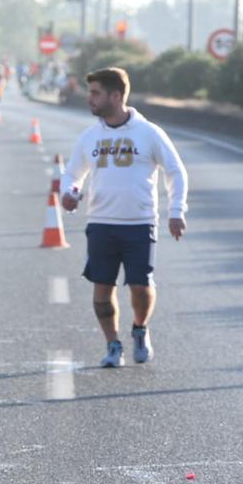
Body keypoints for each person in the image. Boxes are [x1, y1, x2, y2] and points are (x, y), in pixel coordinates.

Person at [60, 67, 189, 368]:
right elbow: (72, 173)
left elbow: (175, 171)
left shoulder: (149, 133)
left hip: (139, 223)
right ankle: (112, 344)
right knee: (102, 290)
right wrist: (71, 191)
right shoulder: (90, 137)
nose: (89, 99)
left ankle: (140, 329)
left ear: (115, 96)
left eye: (95, 93)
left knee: (141, 286)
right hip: (101, 223)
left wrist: (176, 211)